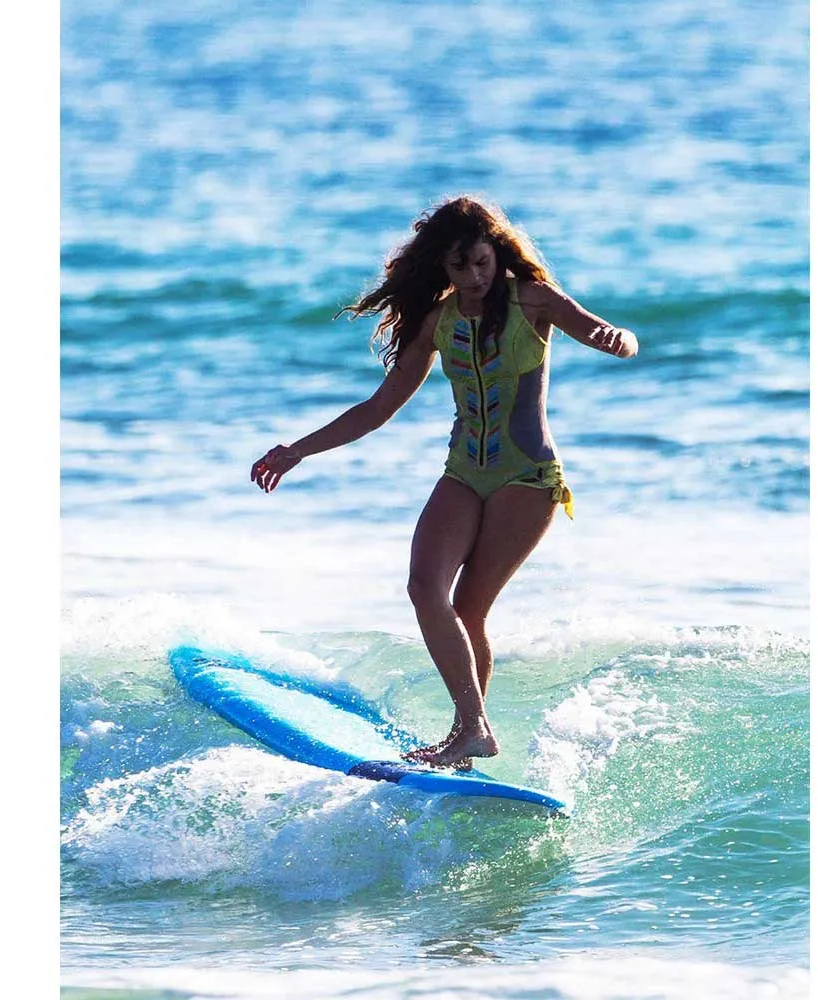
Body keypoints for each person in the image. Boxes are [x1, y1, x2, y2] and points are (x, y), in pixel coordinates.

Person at [251, 196, 638, 768]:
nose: (475, 276)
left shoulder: (533, 299)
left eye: (482, 262)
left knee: (470, 606)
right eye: (461, 267)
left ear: (497, 253)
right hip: (463, 472)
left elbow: (612, 333)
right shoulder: (440, 321)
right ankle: (470, 731)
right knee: (424, 588)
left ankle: (468, 733)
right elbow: (377, 408)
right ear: (443, 266)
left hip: (527, 476)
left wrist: (617, 339)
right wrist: (297, 451)